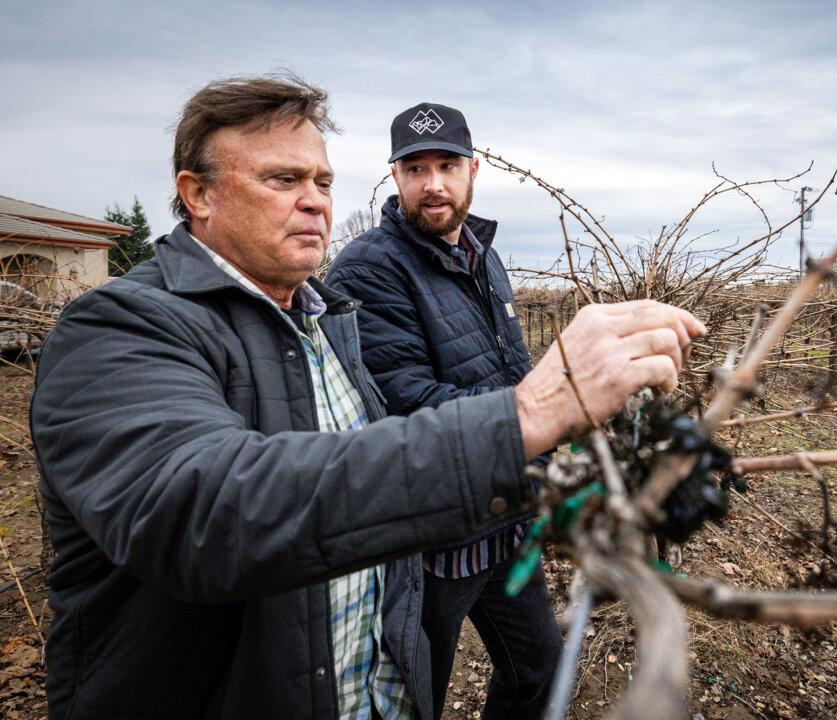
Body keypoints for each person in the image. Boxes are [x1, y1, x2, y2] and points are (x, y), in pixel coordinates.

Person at [29, 75, 705, 720]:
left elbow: (355, 472)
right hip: (422, 555)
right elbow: (209, 513)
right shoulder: (116, 329)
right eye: (282, 179)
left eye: (322, 180)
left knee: (536, 670)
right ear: (197, 195)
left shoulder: (323, 321)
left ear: (475, 171)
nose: (316, 200)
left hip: (422, 611)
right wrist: (529, 415)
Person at [326, 102, 560, 720]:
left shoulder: (485, 256)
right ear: (395, 177)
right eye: (415, 167)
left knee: (538, 670)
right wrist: (554, 411)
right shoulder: (369, 267)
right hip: (433, 539)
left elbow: (511, 371)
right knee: (416, 696)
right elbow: (410, 401)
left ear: (472, 170)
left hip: (505, 521)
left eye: (447, 165)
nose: (433, 183)